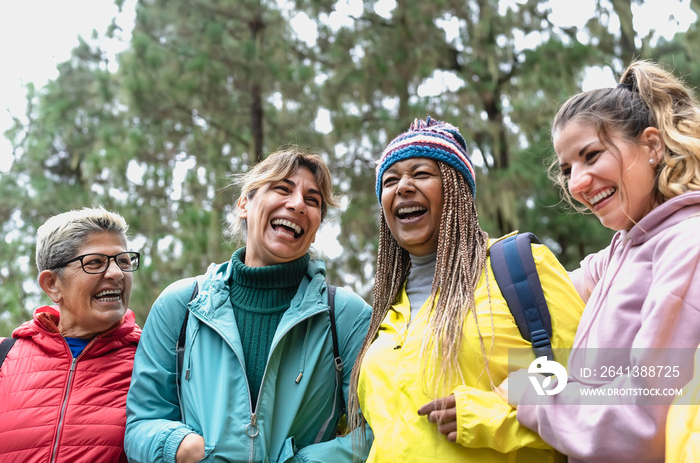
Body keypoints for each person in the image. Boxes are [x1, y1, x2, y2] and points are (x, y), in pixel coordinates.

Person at [346, 117, 584, 462]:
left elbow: (591, 381)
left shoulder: (516, 268)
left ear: (456, 189)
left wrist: (490, 417)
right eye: (390, 180)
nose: (403, 187)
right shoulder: (387, 313)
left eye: (422, 174)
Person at [497, 60, 700, 462]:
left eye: (591, 156)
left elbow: (644, 420)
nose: (576, 184)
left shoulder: (686, 246)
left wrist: (531, 393)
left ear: (653, 146)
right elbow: (537, 292)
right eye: (568, 168)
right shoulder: (620, 252)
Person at [125, 149, 373, 463]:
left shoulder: (346, 316)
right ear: (244, 204)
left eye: (312, 201)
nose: (297, 204)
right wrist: (180, 446)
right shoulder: (180, 305)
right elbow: (140, 423)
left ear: (315, 228)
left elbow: (376, 427)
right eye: (282, 189)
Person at [0, 207, 142, 462]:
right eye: (95, 262)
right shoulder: (3, 357)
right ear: (52, 284)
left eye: (123, 261)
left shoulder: (154, 363)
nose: (117, 273)